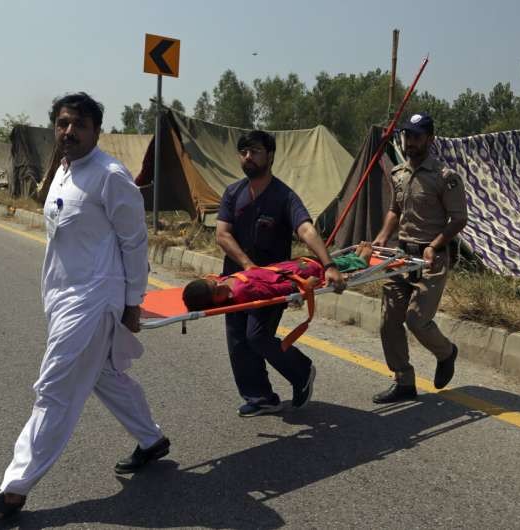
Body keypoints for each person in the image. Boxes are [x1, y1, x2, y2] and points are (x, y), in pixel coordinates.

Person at [0, 93, 169, 522]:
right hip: (63, 297)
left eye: (78, 124)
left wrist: (134, 302)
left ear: (96, 131)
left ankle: (13, 491)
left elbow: (134, 243)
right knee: (103, 376)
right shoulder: (63, 170)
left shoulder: (111, 177)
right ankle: (151, 440)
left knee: (54, 389)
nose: (68, 132)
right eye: (62, 123)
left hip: (93, 300)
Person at [216, 130, 346, 417]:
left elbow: (306, 229)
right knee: (237, 338)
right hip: (236, 282)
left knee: (258, 337)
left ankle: (301, 370)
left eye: (256, 151)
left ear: (270, 156)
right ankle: (261, 397)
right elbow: (222, 234)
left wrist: (329, 265)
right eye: (244, 152)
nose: (248, 157)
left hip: (272, 284)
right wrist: (248, 267)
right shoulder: (233, 193)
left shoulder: (284, 196)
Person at [371, 112, 468, 403]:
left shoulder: (445, 178)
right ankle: (403, 381)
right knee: (389, 321)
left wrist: (436, 245)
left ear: (430, 139)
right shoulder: (398, 173)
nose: (410, 141)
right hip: (401, 256)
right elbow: (394, 210)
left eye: (416, 136)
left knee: (416, 320)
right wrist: (381, 237)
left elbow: (458, 219)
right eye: (407, 136)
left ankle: (446, 352)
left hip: (431, 259)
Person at [182, 242, 374, 310]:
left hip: (286, 266)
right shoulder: (243, 292)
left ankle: (353, 257)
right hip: (299, 273)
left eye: (214, 283)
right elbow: (276, 291)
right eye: (217, 292)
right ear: (216, 302)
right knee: (329, 266)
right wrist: (303, 286)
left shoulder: (225, 284)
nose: (220, 285)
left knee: (326, 261)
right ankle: (361, 260)